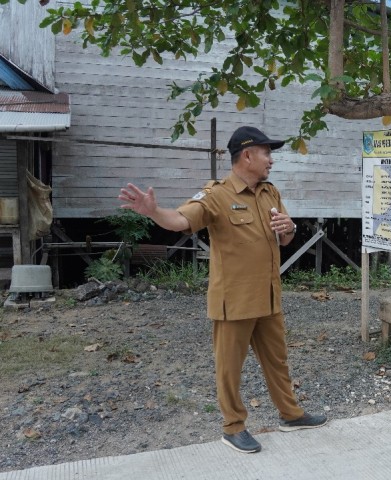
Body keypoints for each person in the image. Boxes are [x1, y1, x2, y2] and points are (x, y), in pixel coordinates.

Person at [118, 126, 327, 454]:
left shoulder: (270, 192)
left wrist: (291, 229)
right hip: (234, 300)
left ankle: (291, 414)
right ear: (247, 155)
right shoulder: (216, 195)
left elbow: (284, 237)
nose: (271, 160)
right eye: (266, 153)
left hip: (269, 296)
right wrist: (154, 212)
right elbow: (180, 220)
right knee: (229, 368)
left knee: (278, 361)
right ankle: (233, 427)